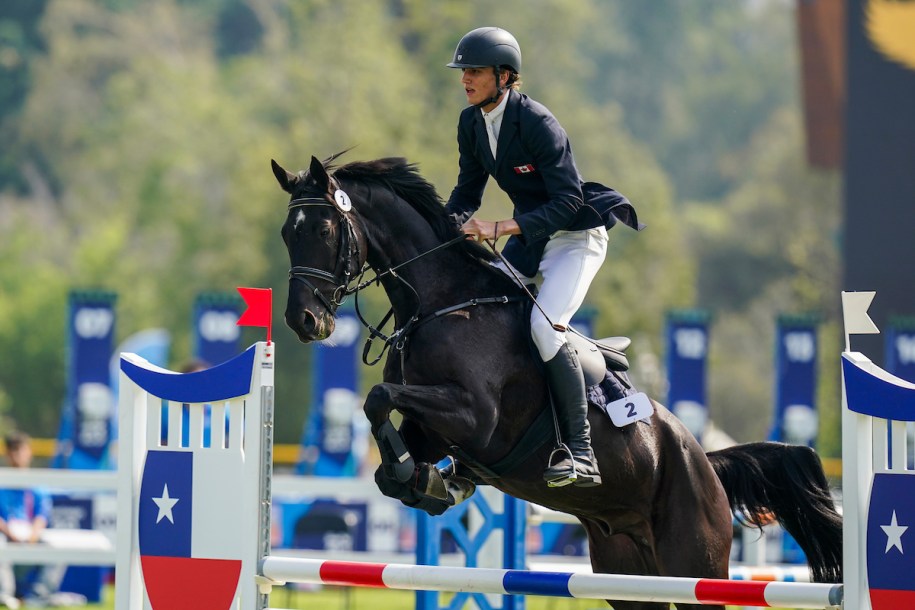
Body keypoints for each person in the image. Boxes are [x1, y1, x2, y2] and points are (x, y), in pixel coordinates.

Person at [444, 27, 642, 488]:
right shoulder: (471, 123)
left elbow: (569, 203)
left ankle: (582, 452)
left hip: (577, 238)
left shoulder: (537, 122)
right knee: (480, 313)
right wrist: (440, 230)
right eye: (463, 72)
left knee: (541, 325)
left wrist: (499, 228)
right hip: (534, 238)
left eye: (474, 71)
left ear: (504, 76)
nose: (465, 79)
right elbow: (466, 193)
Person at [0, 431, 51, 608]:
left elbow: (41, 516)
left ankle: (38, 597)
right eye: (12, 451)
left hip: (30, 538)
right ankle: (5, 595)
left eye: (20, 450)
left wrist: (32, 537)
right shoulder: (2, 482)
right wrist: (10, 534)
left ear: (29, 452)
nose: (16, 455)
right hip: (6, 537)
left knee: (55, 548)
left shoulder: (37, 485)